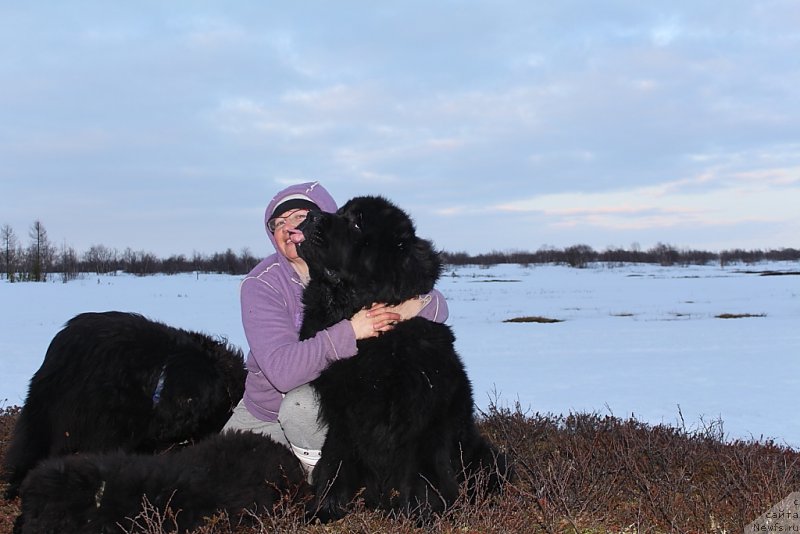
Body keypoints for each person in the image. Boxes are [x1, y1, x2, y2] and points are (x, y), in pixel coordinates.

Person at [222, 181, 448, 473]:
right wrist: (352, 331)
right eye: (277, 224)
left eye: (298, 216)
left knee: (305, 408)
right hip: (268, 412)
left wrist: (408, 308)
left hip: (338, 404)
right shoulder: (262, 284)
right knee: (215, 477)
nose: (287, 228)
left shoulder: (353, 266)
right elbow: (282, 373)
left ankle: (325, 481)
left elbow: (433, 301)